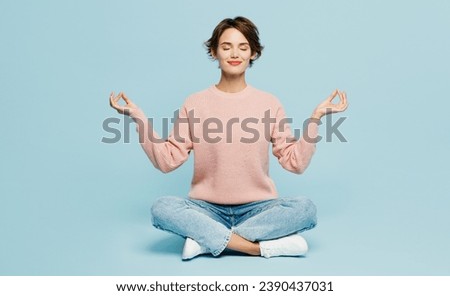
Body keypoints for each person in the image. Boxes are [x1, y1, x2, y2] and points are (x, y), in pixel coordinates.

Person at [110, 16, 348, 260]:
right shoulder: (194, 103)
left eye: (243, 47)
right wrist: (137, 117)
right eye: (226, 47)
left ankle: (206, 240)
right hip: (205, 208)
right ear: (214, 52)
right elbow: (167, 160)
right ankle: (255, 248)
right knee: (161, 208)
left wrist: (316, 118)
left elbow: (294, 162)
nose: (235, 53)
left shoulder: (269, 103)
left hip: (258, 209)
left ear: (253, 53)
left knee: (305, 209)